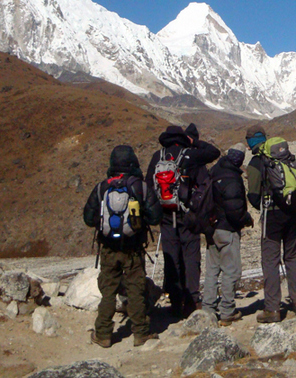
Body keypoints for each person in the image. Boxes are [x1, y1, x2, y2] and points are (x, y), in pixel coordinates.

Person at [83, 145, 163, 347]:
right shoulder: (140, 187)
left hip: (109, 247)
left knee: (108, 291)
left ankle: (103, 334)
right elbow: (155, 217)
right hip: (133, 248)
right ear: (133, 162)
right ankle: (140, 333)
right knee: (136, 289)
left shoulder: (102, 187)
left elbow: (89, 218)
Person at [145, 123, 220, 318]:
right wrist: (194, 142)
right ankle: (193, 300)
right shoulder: (189, 154)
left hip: (166, 216)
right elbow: (213, 152)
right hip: (187, 215)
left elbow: (148, 187)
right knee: (191, 256)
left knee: (172, 258)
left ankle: (175, 301)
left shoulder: (157, 157)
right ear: (182, 138)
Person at [245, 125, 296, 323]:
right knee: (293, 256)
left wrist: (262, 204)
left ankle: (272, 309)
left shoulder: (256, 163)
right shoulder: (285, 157)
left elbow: (254, 196)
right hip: (292, 212)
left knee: (270, 261)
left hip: (271, 217)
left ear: (250, 143)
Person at [202, 148, 253, 325]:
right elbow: (234, 209)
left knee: (212, 271)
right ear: (239, 160)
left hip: (211, 229)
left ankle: (207, 310)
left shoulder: (213, 172)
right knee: (231, 271)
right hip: (227, 229)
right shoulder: (232, 178)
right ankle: (227, 311)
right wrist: (246, 218)